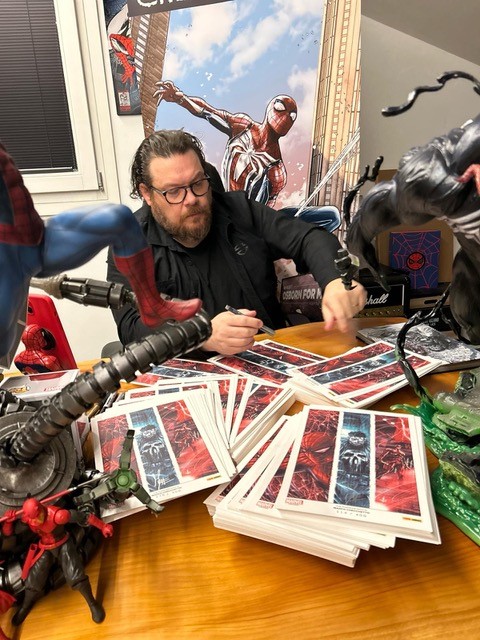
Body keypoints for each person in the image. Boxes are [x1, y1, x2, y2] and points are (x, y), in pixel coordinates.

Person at [106, 130, 366, 356]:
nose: (192, 199)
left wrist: (335, 280)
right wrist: (201, 334)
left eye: (198, 183)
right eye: (174, 191)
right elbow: (131, 326)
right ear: (147, 194)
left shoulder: (241, 211)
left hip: (269, 355)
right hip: (189, 371)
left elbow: (308, 238)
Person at [0, 141, 201, 365]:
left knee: (119, 218)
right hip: (6, 259)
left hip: (37, 241)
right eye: (174, 190)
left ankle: (152, 306)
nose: (191, 199)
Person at [155, 81, 341, 231]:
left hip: (251, 223)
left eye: (291, 116)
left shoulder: (276, 170)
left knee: (332, 216)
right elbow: (207, 112)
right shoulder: (243, 127)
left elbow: (265, 211)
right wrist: (181, 98)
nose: (285, 117)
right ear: (271, 108)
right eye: (281, 108)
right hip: (221, 212)